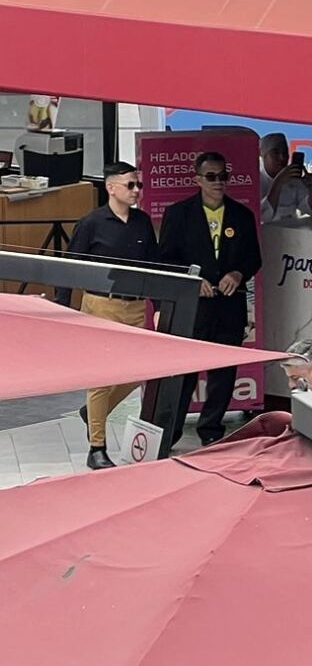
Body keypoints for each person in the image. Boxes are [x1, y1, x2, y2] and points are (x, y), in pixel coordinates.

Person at [157, 150, 263, 449]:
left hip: (229, 306)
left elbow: (254, 258)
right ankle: (171, 431)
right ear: (198, 179)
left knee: (224, 372)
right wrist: (193, 280)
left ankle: (212, 429)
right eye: (211, 177)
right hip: (194, 307)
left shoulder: (242, 215)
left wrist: (238, 274)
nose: (218, 182)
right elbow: (165, 259)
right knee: (185, 372)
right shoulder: (178, 214)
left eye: (223, 176)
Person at [68, 161, 160, 469]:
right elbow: (70, 266)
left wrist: (158, 307)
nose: (136, 191)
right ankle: (97, 448)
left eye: (139, 185)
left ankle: (95, 410)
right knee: (101, 378)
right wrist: (62, 310)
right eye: (130, 185)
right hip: (100, 305)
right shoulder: (91, 223)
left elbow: (154, 267)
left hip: (135, 306)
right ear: (111, 187)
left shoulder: (143, 222)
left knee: (142, 371)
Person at [259, 133, 312, 222]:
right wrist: (278, 183)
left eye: (285, 153)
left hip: (292, 232)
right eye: (275, 153)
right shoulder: (256, 180)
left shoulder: (293, 178)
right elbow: (263, 216)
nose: (282, 158)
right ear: (263, 156)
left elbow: (311, 210)